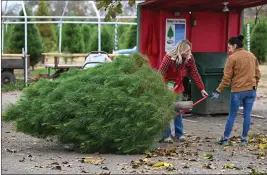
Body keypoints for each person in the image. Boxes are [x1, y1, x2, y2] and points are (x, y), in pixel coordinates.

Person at [211, 35, 261, 146]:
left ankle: (225, 139)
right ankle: (244, 140)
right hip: (251, 90)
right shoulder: (252, 56)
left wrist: (218, 90)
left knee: (232, 115)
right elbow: (258, 74)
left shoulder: (232, 58)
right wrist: (254, 86)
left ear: (234, 45)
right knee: (247, 115)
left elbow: (226, 78)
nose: (229, 50)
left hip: (238, 91)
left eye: (229, 47)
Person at [158, 40, 208, 143]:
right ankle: (166, 135)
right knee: (166, 110)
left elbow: (194, 72)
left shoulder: (189, 58)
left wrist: (202, 88)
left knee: (178, 109)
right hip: (166, 84)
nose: (189, 53)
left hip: (177, 85)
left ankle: (179, 134)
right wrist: (163, 87)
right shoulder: (169, 57)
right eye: (187, 51)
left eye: (190, 50)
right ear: (181, 50)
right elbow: (160, 73)